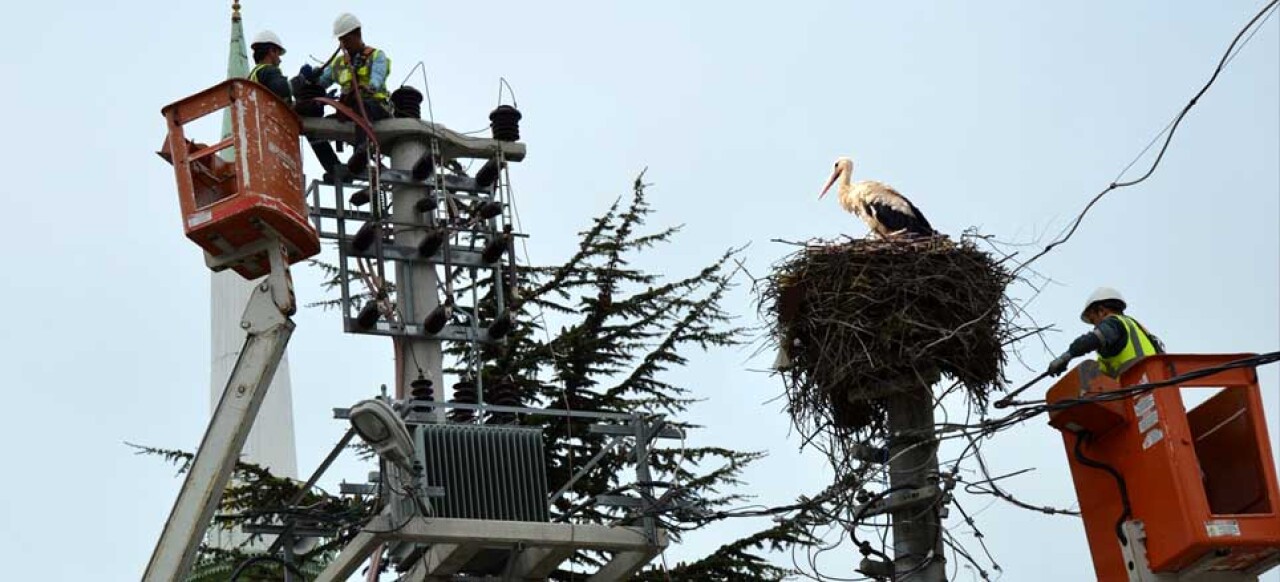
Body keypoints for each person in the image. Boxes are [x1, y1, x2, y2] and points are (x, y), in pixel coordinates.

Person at [299, 12, 393, 176]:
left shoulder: (376, 56)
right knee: (313, 128)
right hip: (349, 112)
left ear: (358, 34)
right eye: (340, 40)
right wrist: (310, 78)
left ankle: (362, 151)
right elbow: (323, 81)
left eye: (346, 39)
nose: (343, 44)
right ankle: (334, 167)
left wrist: (370, 87)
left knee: (362, 104)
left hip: (375, 108)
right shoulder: (339, 63)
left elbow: (377, 77)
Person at [1047, 287, 1165, 378]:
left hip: (1137, 386)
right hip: (1152, 385)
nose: (1095, 326)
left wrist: (1065, 357)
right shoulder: (1137, 329)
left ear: (1102, 311)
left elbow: (1091, 340)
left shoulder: (1115, 323)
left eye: (1093, 320)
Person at [248, 31, 292, 104]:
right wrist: (300, 79)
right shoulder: (269, 70)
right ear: (272, 51)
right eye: (278, 54)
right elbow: (282, 89)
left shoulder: (252, 75)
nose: (280, 60)